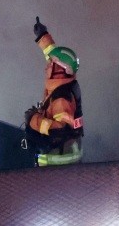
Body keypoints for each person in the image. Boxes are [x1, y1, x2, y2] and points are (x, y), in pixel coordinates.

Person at [22, 16, 83, 166]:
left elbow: (59, 130)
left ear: (60, 71)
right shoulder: (61, 83)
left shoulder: (61, 99)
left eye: (52, 65)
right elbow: (54, 55)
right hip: (57, 159)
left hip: (58, 163)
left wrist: (34, 119)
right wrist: (43, 36)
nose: (47, 66)